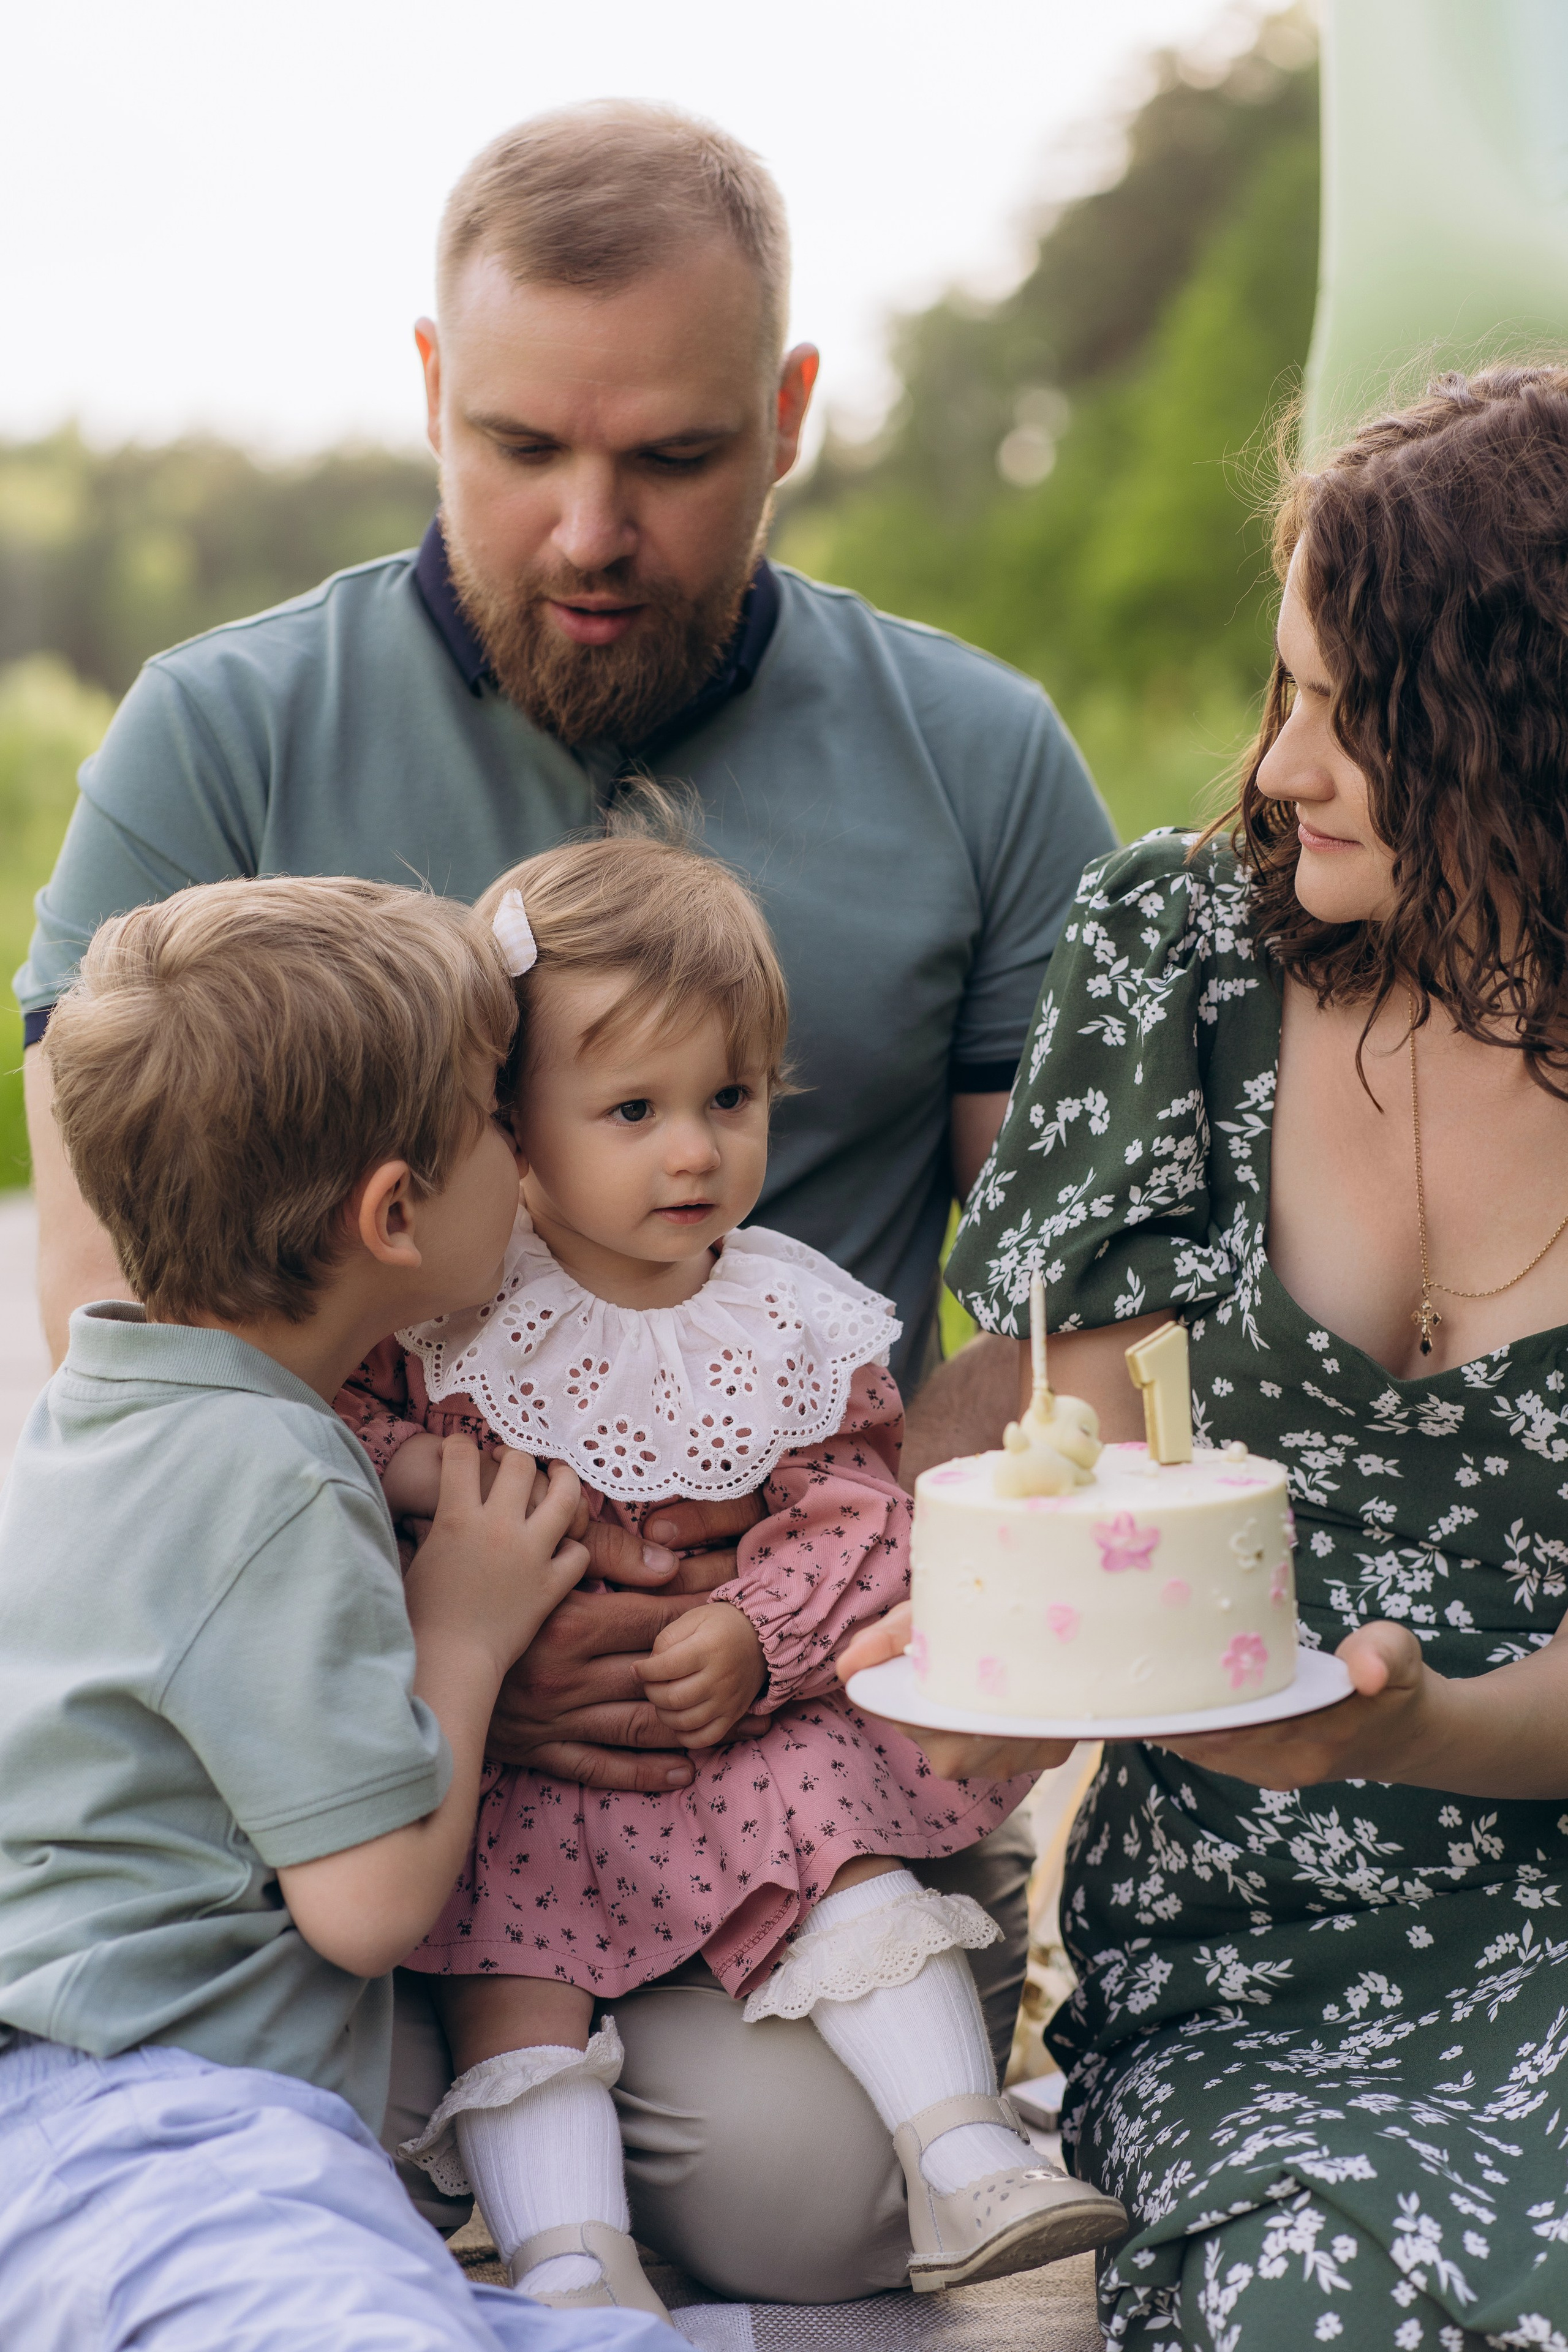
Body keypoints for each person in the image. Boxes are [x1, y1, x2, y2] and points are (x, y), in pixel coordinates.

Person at [15, 113, 1111, 2283]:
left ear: (792, 419)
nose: (587, 530)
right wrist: (447, 1645)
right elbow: (110, 1330)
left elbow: (1083, 1339)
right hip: (312, 1732)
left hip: (764, 1711)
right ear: (432, 389)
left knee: (809, 2208)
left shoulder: (979, 760)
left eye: (677, 460)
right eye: (518, 444)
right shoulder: (213, 739)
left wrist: (809, 1594)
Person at [851, 364, 1568, 2346]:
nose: (1281, 767)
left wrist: (1415, 1724)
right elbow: (1077, 1474)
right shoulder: (1183, 958)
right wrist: (998, 1681)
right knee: (1320, 2293)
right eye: (1285, 691)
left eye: (1358, 715)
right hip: (1257, 1949)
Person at [334, 818, 1126, 2313]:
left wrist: (760, 1639)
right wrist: (426, 1469)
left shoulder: (781, 1316)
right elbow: (329, 1430)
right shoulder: (449, 1312)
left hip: (743, 1731)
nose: (696, 1148)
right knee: (516, 1971)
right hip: (529, 1771)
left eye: (731, 1098)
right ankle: (571, 2259)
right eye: (631, 1109)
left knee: (842, 1846)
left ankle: (961, 2150)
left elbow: (853, 1509)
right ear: (507, 1129)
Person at [0, 875, 682, 2351]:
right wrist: (468, 1627)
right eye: (494, 1120)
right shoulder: (275, 1482)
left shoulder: (110, 1410)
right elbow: (365, 1906)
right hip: (151, 2121)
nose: (523, 1149)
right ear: (393, 1212)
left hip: (92, 2103)